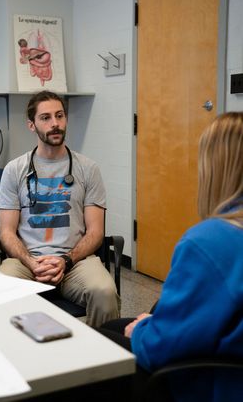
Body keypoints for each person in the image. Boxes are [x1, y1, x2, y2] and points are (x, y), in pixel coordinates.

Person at [99, 112, 243, 400]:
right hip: (229, 355)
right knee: (117, 323)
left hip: (213, 382)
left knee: (99, 340)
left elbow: (160, 349)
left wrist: (142, 329)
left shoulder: (211, 241)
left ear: (216, 166)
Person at [0, 90, 120, 327]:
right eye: (45, 118)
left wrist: (66, 260)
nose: (55, 124)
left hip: (76, 261)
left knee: (104, 293)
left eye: (59, 116)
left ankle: (103, 358)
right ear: (31, 125)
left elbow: (95, 232)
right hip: (27, 261)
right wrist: (31, 262)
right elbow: (6, 233)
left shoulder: (88, 169)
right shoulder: (14, 170)